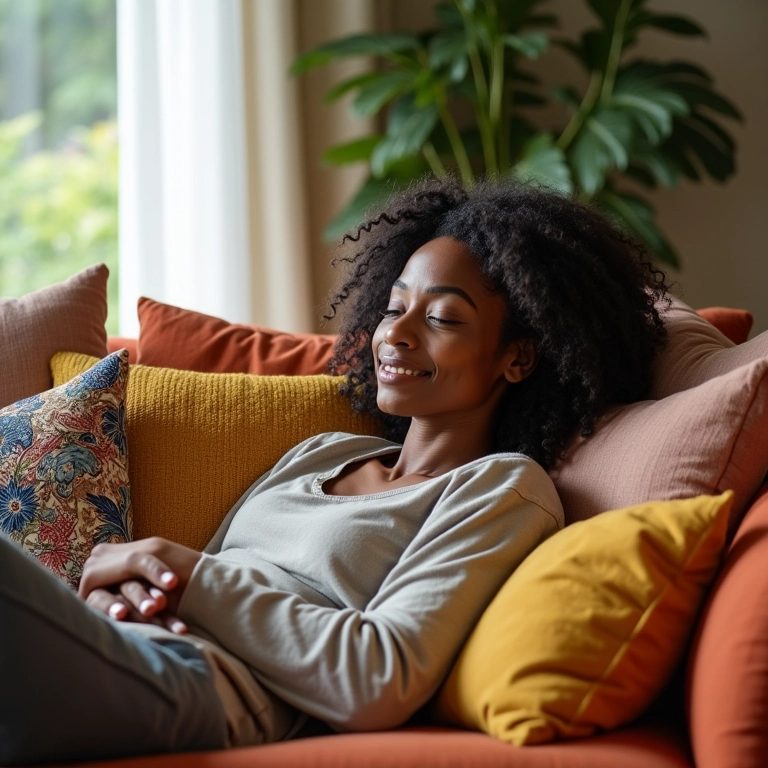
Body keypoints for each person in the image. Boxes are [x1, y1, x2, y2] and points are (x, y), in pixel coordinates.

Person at [0, 178, 669, 764]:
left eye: (440, 318)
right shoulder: (321, 453)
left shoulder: (501, 489)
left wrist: (186, 573)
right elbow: (188, 588)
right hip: (122, 647)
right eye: (393, 306)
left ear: (516, 359)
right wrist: (116, 594)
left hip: (195, 688)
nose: (396, 335)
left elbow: (377, 679)